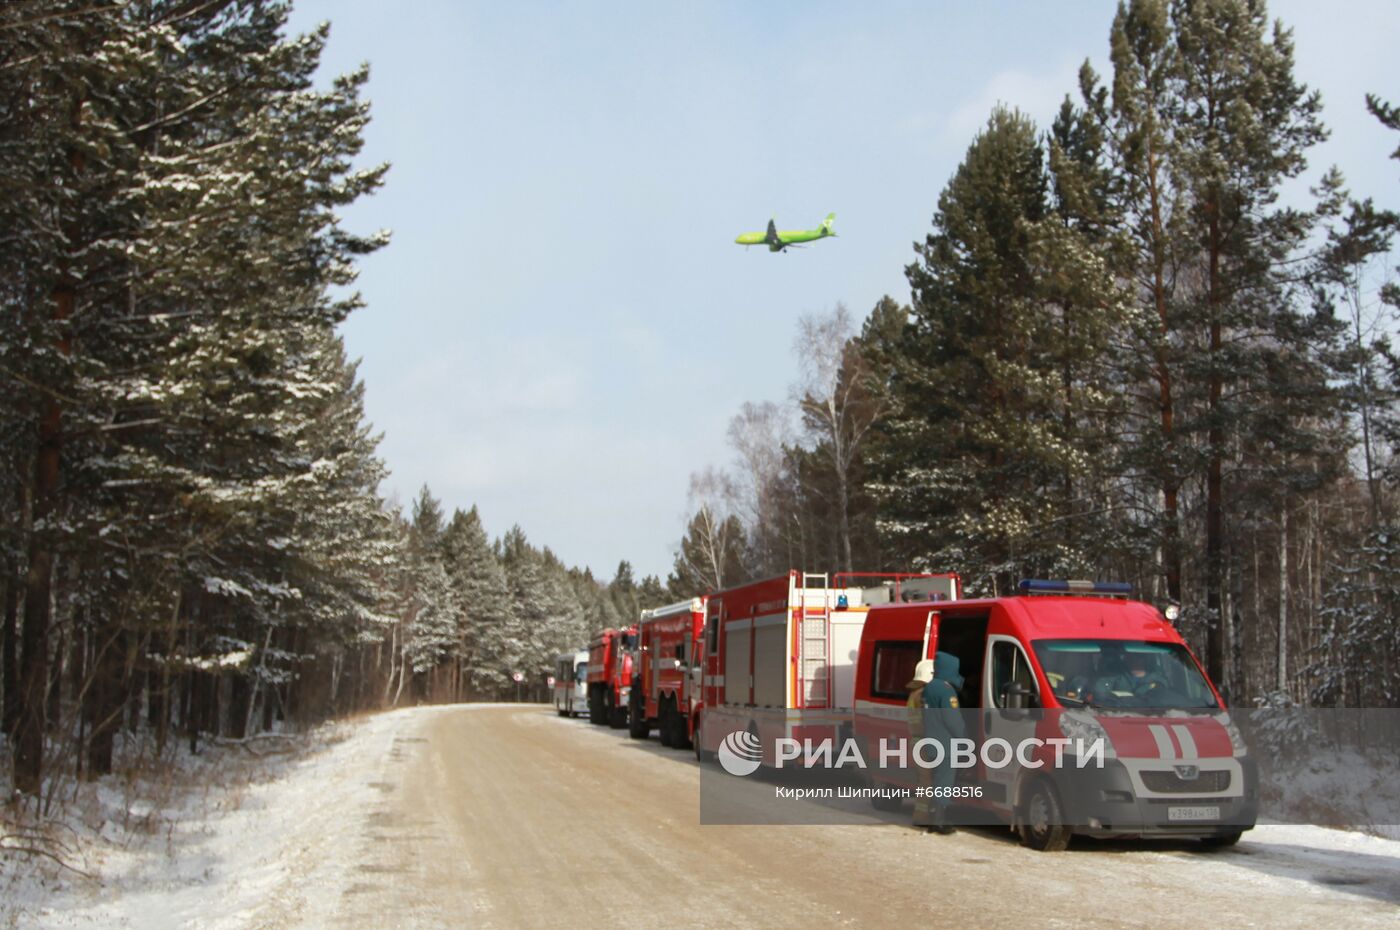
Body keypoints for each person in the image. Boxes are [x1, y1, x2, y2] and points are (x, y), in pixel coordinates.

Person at [921, 651, 966, 834]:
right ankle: (939, 820)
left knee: (936, 780)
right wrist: (964, 738)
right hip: (946, 745)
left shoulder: (930, 687)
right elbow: (952, 719)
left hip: (931, 742)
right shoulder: (946, 691)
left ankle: (934, 817)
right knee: (944, 783)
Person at [904, 659, 936, 829]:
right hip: (924, 741)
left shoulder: (913, 694)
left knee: (924, 780)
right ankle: (923, 817)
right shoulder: (922, 695)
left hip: (917, 741)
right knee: (927, 782)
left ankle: (922, 815)